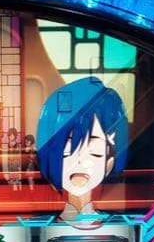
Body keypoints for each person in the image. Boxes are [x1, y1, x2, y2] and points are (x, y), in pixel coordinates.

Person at [36, 76, 128, 226]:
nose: (80, 161)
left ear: (109, 162)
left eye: (95, 153)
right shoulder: (37, 228)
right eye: (67, 152)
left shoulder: (121, 226)